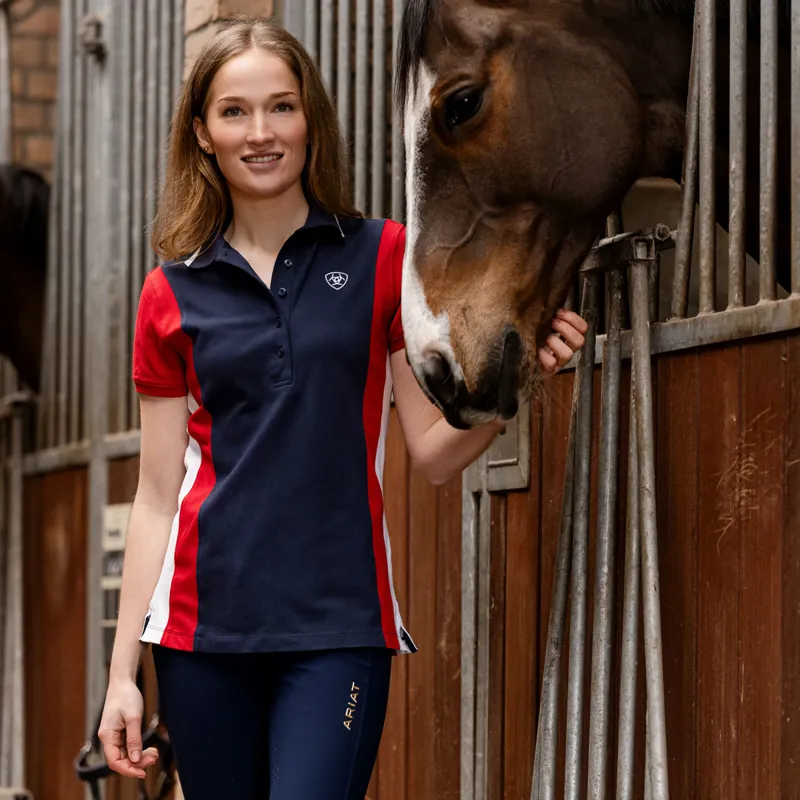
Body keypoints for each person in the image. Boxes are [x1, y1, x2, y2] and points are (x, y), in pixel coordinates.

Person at [98, 16, 587, 800]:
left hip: (339, 627)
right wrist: (123, 675)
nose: (261, 132)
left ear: (310, 120)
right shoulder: (171, 293)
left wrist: (514, 385)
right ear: (202, 134)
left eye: (281, 107)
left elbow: (431, 450)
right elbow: (157, 496)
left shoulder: (383, 257)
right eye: (235, 111)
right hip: (200, 634)